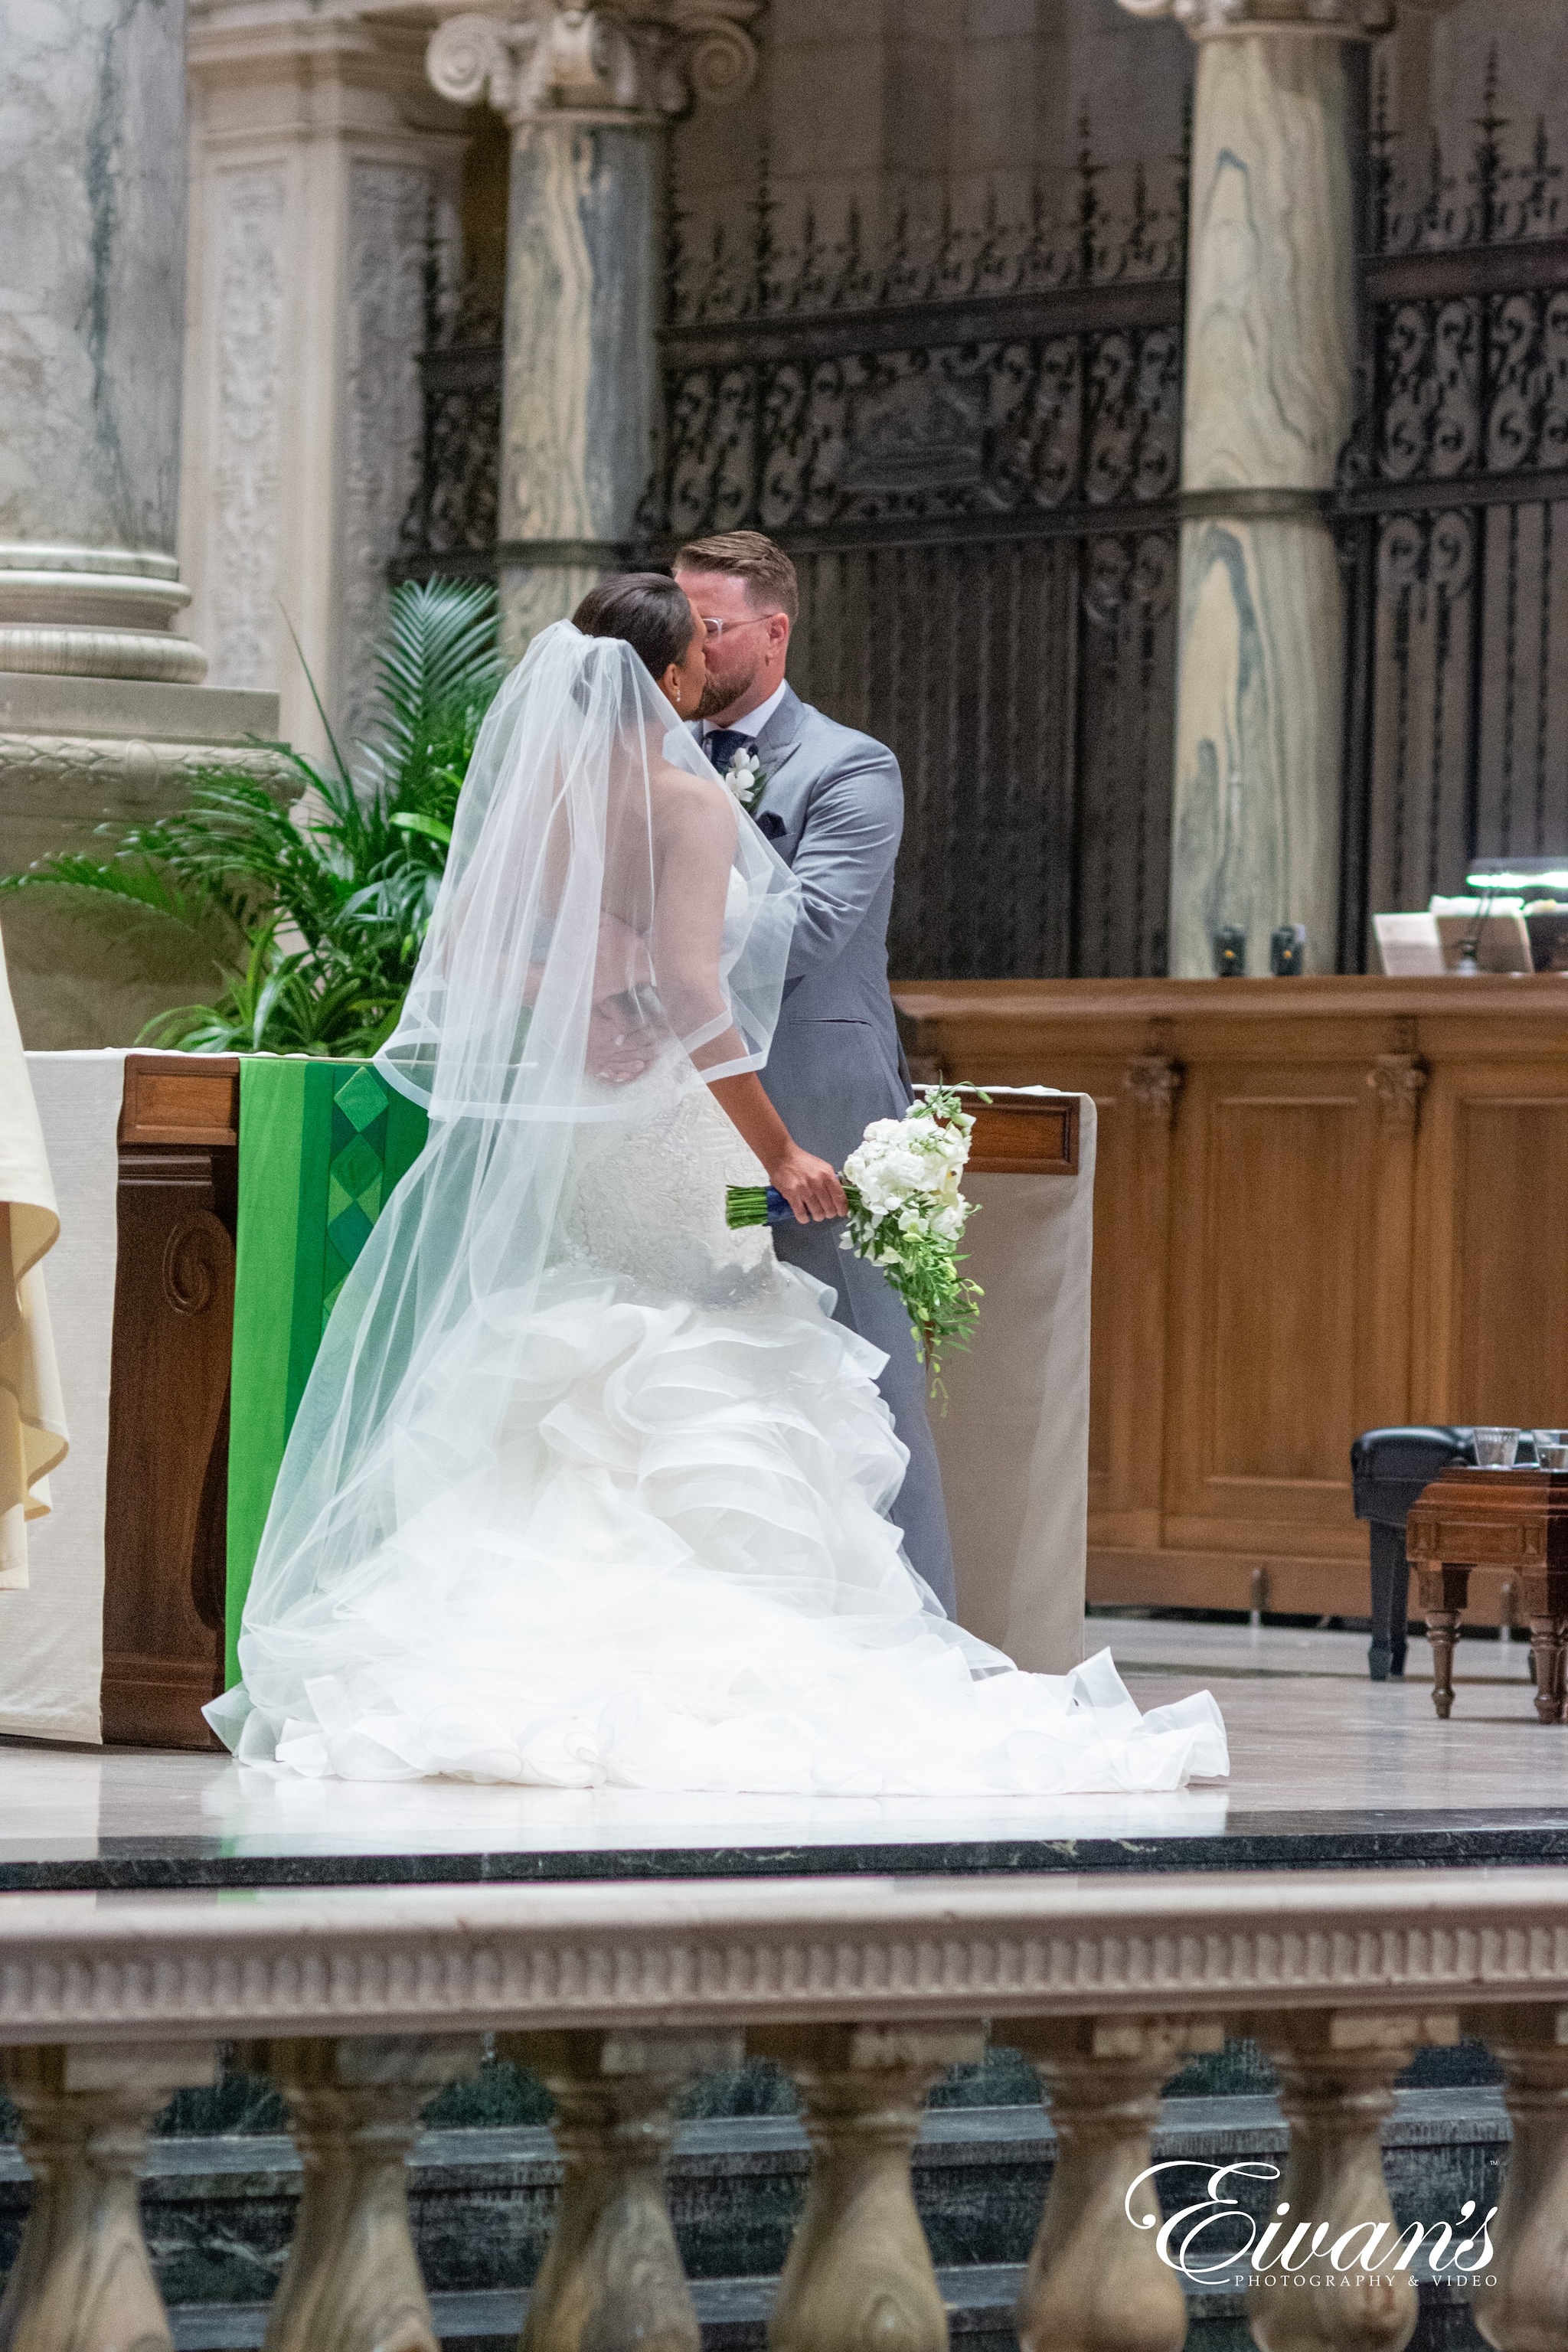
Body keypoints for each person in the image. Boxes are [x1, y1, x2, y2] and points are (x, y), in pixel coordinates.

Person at [207, 580, 1227, 1795]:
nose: (704, 665)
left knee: (595, 1338)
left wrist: (580, 1010)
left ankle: (538, 1648)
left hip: (591, 1134)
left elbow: (482, 951)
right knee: (708, 1333)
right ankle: (730, 1638)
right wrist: (782, 1150)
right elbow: (698, 1001)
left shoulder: (545, 796)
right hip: (682, 1129)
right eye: (693, 650)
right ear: (669, 674)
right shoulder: (687, 797)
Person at [671, 532, 958, 1614]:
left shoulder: (848, 765)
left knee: (862, 1380)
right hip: (677, 1125)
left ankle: (919, 1634)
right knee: (708, 1386)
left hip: (813, 1119)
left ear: (774, 631)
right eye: (683, 626)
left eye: (715, 625)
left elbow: (821, 922)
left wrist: (658, 946)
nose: (695, 649)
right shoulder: (648, 763)